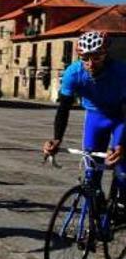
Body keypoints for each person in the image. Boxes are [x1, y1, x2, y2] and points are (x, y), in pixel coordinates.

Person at [43, 31, 126, 198]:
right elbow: (64, 107)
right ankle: (95, 211)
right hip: (95, 118)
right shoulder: (73, 73)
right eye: (85, 58)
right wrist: (57, 138)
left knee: (122, 167)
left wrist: (122, 144)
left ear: (105, 55)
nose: (90, 64)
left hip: (120, 117)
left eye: (96, 58)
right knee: (91, 172)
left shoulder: (121, 72)